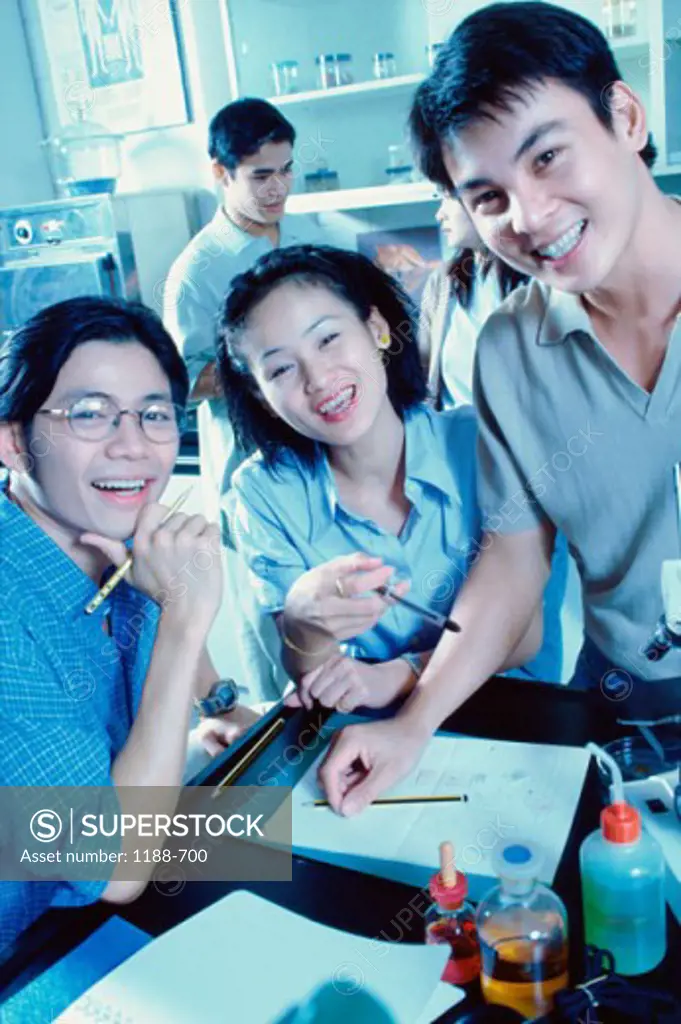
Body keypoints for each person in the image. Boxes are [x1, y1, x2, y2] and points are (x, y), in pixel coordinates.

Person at [316, 0, 681, 816]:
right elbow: (515, 558)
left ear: (622, 116)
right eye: (486, 197)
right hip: (627, 719)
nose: (528, 218)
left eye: (547, 156)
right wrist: (412, 724)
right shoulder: (511, 350)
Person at [0, 296, 259, 952]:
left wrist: (221, 700)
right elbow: (113, 866)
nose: (133, 446)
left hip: (86, 912)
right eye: (88, 414)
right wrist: (185, 619)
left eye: (154, 415)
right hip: (29, 957)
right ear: (13, 441)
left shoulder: (109, 538)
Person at [217, 245, 542, 715]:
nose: (318, 379)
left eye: (327, 339)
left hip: (518, 716)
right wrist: (305, 625)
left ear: (377, 330)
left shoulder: (485, 443)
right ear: (262, 396)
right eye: (282, 369)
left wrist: (402, 674)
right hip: (369, 739)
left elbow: (525, 633)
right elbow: (317, 677)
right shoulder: (262, 494)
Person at [164, 98, 323, 701]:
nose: (278, 186)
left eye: (286, 169)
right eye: (261, 175)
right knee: (276, 650)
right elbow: (183, 381)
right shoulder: (197, 270)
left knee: (337, 640)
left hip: (325, 464)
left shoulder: (309, 236)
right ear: (220, 173)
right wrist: (263, 362)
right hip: (253, 480)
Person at [420, 193, 570, 683]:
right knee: (469, 608)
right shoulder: (444, 285)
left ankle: (539, 717)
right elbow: (429, 382)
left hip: (535, 472)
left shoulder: (542, 277)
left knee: (534, 611)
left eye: (446, 199)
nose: (439, 213)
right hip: (462, 472)